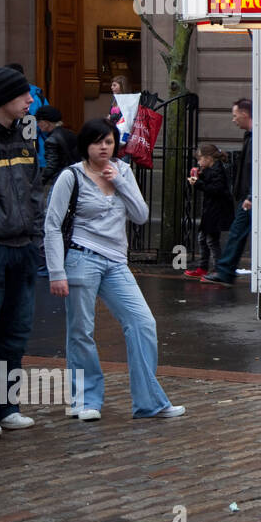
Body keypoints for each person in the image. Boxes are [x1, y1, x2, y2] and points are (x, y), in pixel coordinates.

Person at [44, 118, 184, 421]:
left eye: (108, 141)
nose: (104, 147)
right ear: (86, 146)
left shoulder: (123, 171)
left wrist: (119, 182)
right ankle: (86, 400)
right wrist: (57, 272)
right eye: (97, 142)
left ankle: (148, 402)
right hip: (81, 258)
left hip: (116, 262)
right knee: (81, 330)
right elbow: (52, 226)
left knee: (143, 323)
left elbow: (141, 215)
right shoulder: (71, 177)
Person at [0, 66, 42, 438]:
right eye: (24, 95)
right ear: (4, 98)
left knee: (15, 334)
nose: (31, 100)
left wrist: (34, 237)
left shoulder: (25, 134)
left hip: (23, 248)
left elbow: (34, 188)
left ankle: (7, 407)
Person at [202, 99, 253, 287]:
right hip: (247, 195)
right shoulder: (251, 136)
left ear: (245, 114)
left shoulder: (254, 137)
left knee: (237, 233)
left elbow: (253, 168)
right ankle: (225, 270)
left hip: (248, 197)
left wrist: (249, 196)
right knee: (237, 233)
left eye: (235, 115)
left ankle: (225, 271)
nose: (233, 119)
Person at [185, 143, 235, 279]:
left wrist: (198, 183)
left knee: (212, 240)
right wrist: (198, 179)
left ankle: (217, 269)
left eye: (200, 159)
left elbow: (215, 189)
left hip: (216, 211)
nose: (198, 162)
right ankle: (203, 267)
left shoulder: (218, 170)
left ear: (208, 158)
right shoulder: (210, 169)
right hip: (211, 210)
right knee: (203, 238)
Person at [7, 64, 47, 169]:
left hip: (25, 157)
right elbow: (48, 129)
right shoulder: (38, 98)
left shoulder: (37, 98)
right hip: (36, 155)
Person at [36, 106, 77, 186]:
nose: (37, 124)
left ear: (46, 122)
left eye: (39, 121)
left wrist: (39, 183)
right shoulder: (70, 133)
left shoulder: (51, 141)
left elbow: (51, 167)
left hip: (60, 180)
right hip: (74, 177)